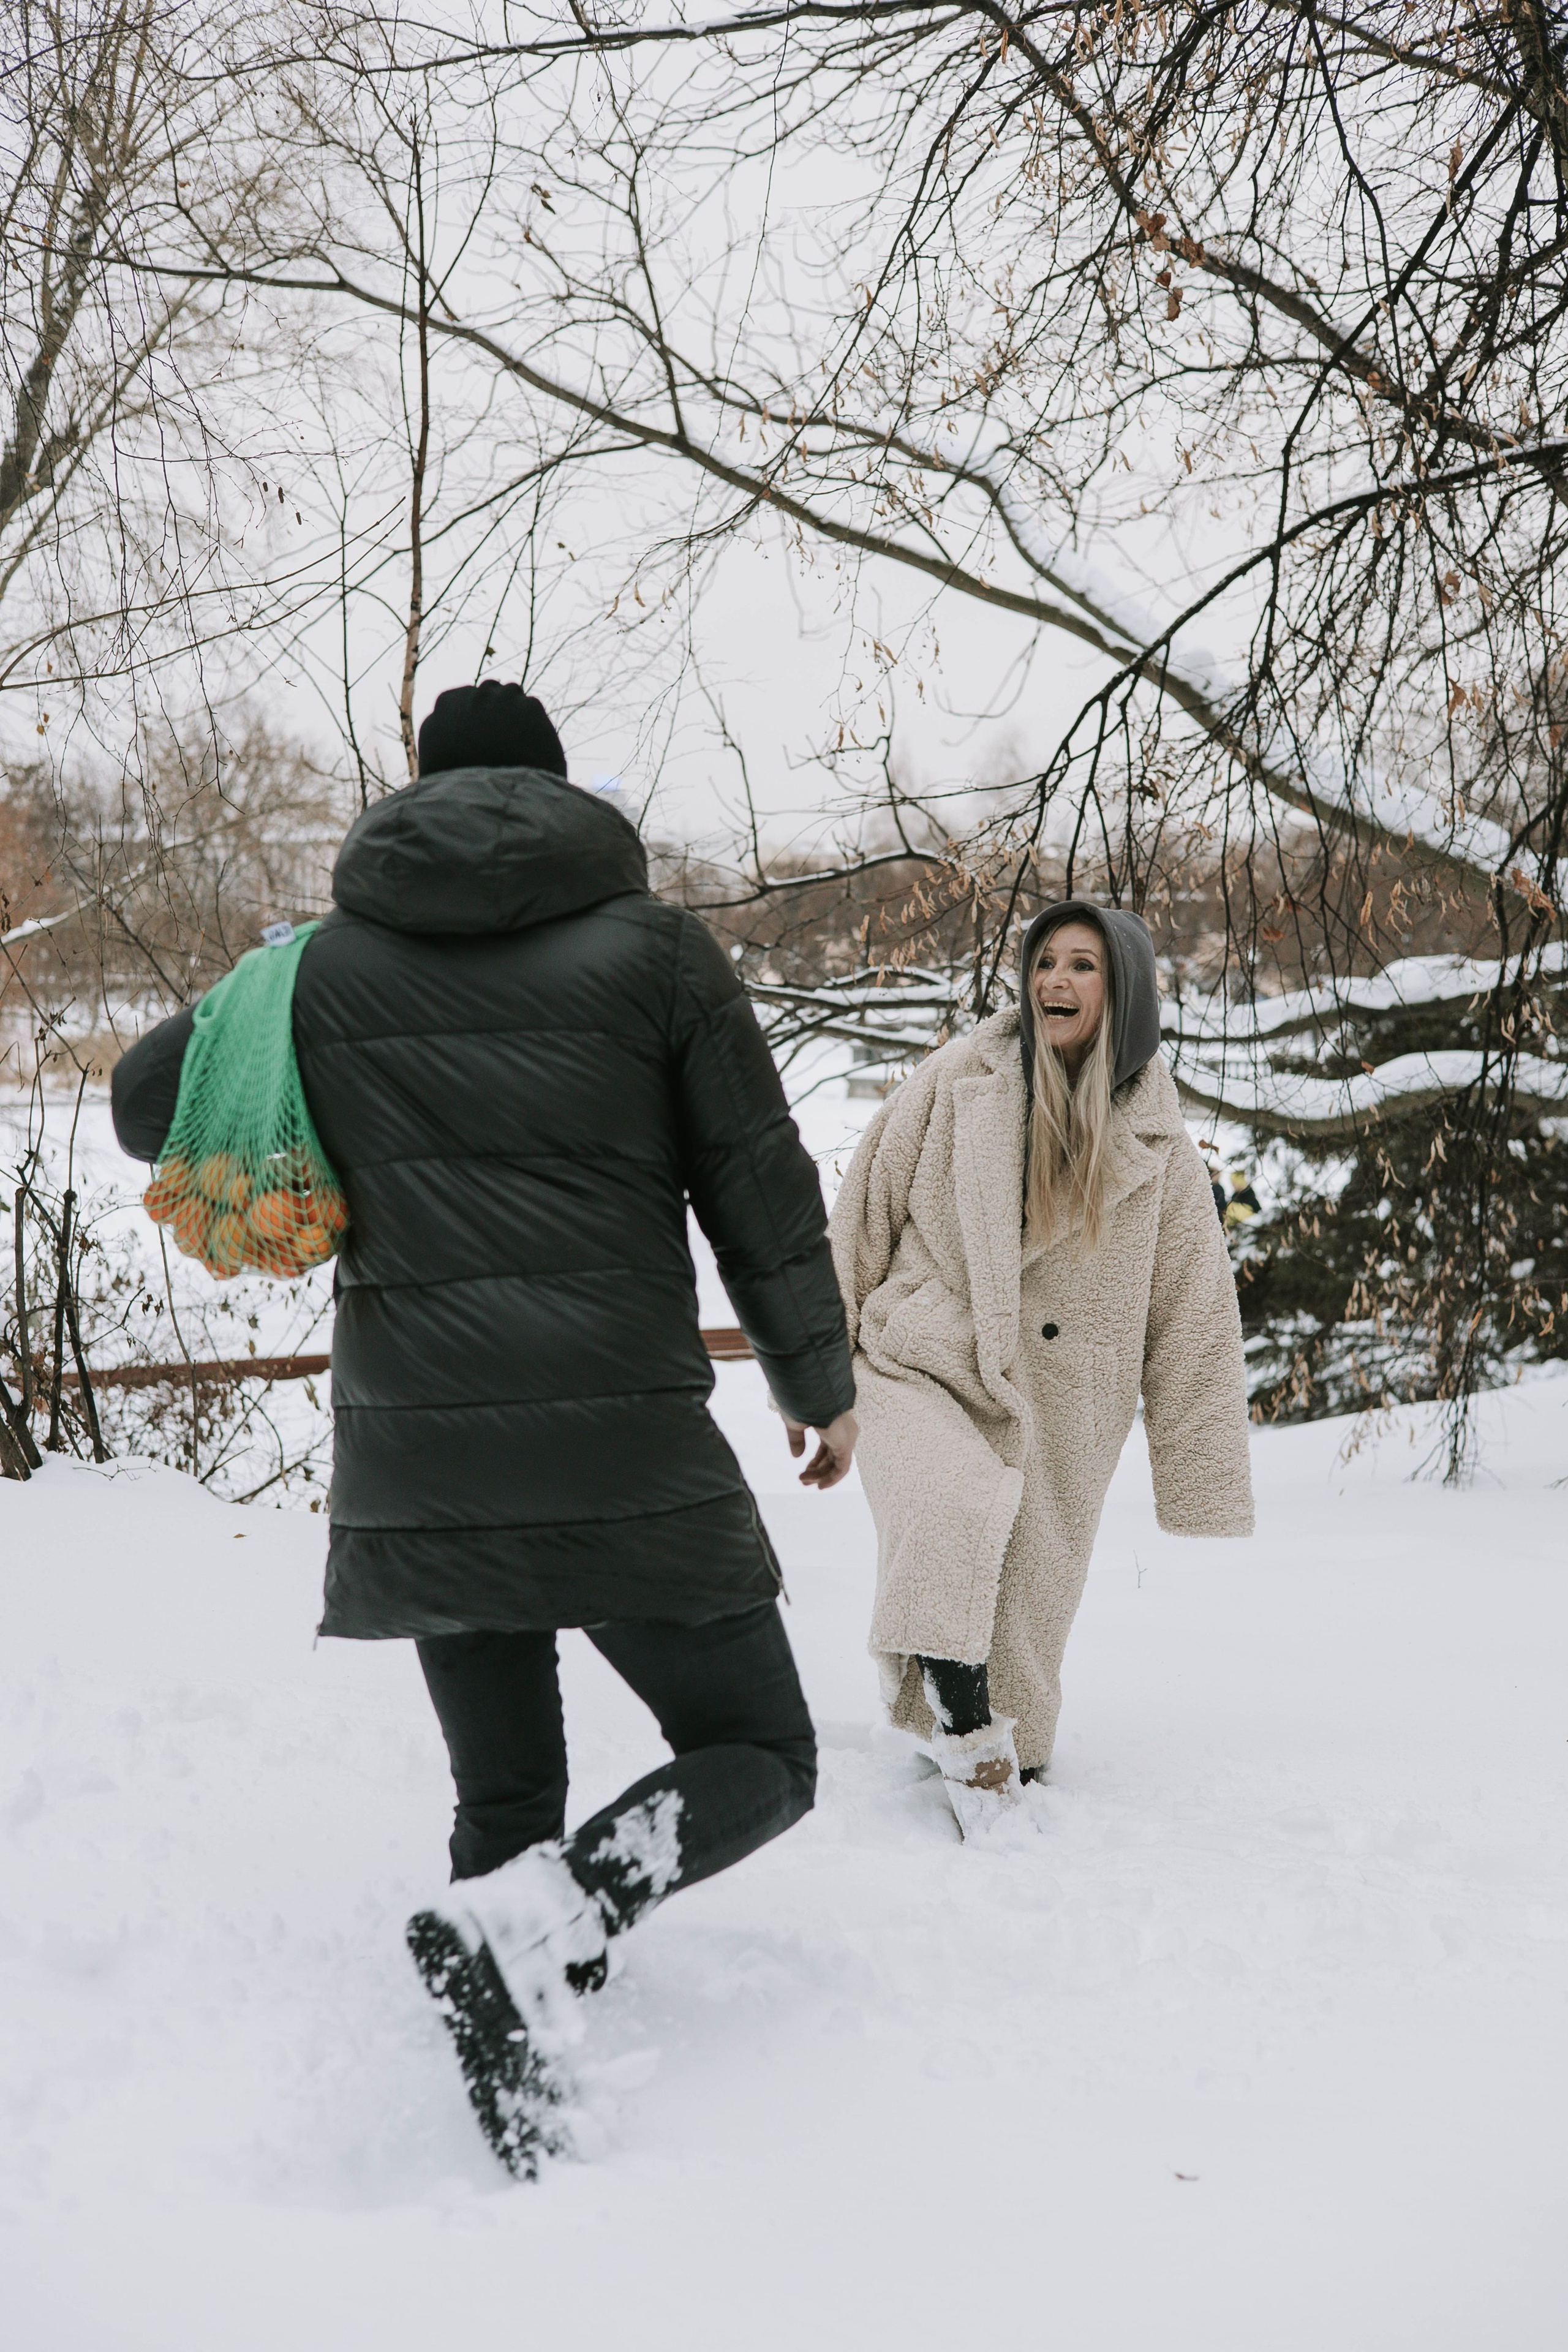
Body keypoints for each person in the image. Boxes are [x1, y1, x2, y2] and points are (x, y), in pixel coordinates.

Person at [110, 678, 858, 2175]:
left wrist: (261, 989)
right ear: (560, 792)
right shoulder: (659, 953)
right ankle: (546, 1933)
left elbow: (144, 1107)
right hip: (622, 1443)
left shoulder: (319, 968)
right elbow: (760, 1188)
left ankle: (516, 2036)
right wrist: (813, 1383)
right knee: (760, 1747)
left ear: (415, 793)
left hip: (424, 1452)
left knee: (504, 1793)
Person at [829, 901, 1253, 1839]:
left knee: (1024, 1601)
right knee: (946, 1507)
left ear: (1123, 992)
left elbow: (1193, 1320)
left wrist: (1201, 1482)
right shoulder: (958, 1080)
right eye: (1045, 961)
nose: (1055, 981)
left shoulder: (1160, 1151)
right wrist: (811, 1373)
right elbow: (862, 1214)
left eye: (1082, 966)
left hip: (1062, 1397)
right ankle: (971, 1748)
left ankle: (1006, 1742)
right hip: (921, 1355)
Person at [1225, 1164, 1262, 1228]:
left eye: (1234, 1183)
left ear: (1240, 1182)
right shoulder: (1235, 1196)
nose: (1233, 1186)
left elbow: (1258, 1213)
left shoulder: (1250, 1196)